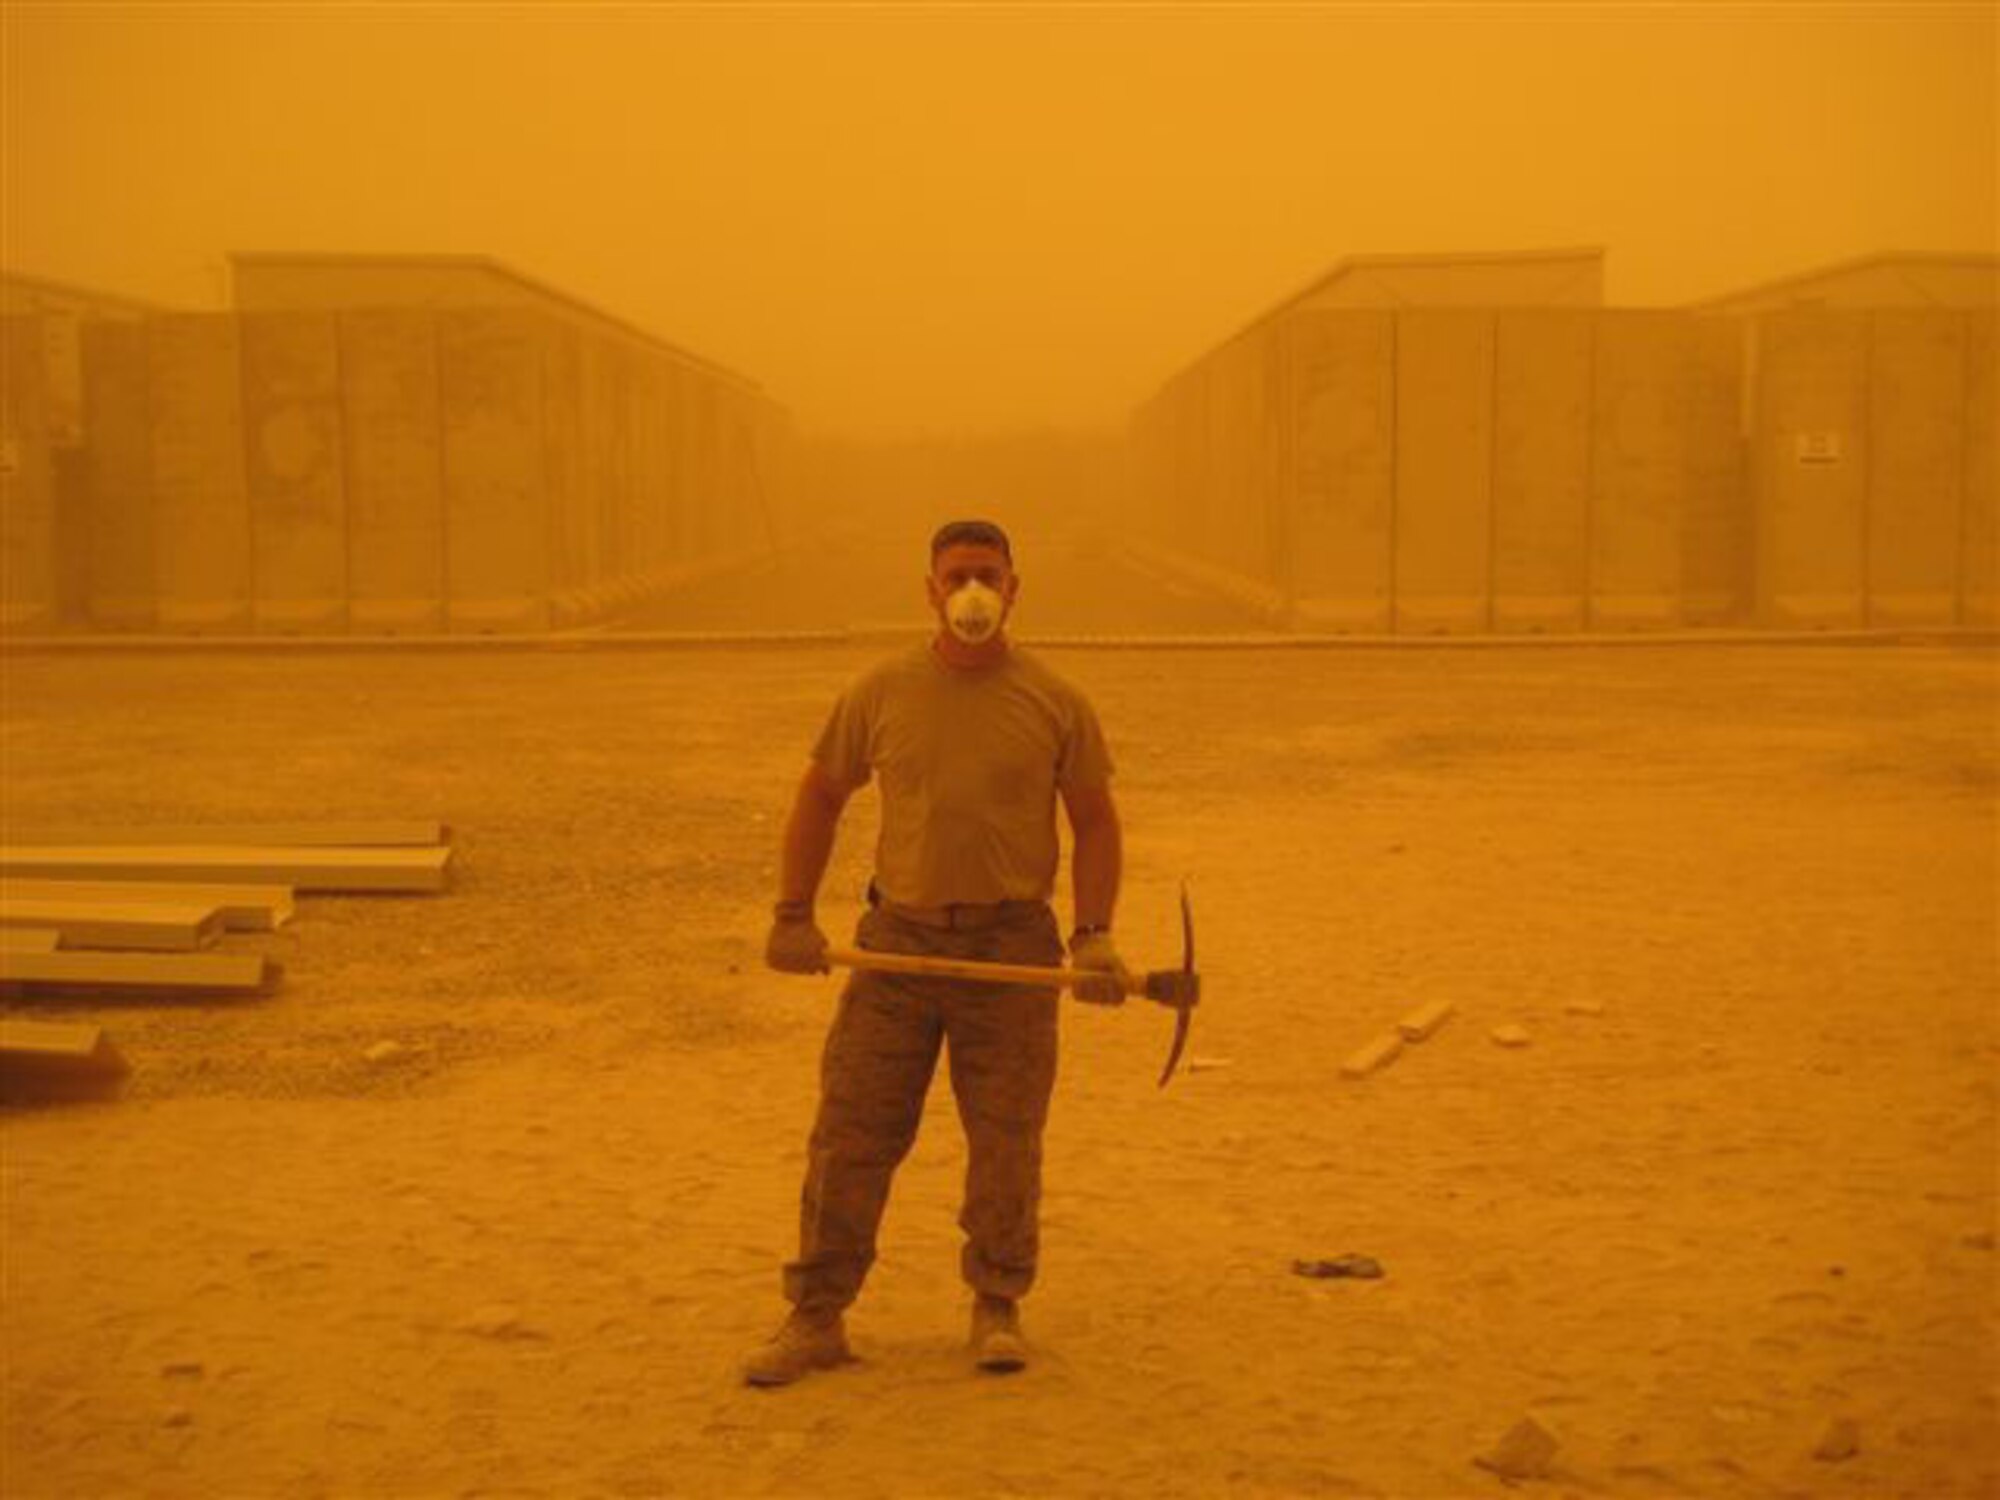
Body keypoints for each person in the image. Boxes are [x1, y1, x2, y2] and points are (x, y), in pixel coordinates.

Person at [746, 518, 1129, 1387]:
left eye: (987, 575)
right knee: (851, 1135)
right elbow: (820, 796)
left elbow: (1095, 821)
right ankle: (817, 1318)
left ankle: (997, 1306)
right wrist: (792, 914)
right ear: (929, 589)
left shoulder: (1055, 700)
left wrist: (1094, 934)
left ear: (1014, 587)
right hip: (897, 950)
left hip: (1014, 949)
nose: (972, 593)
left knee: (1005, 1139)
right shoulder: (881, 691)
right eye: (957, 575)